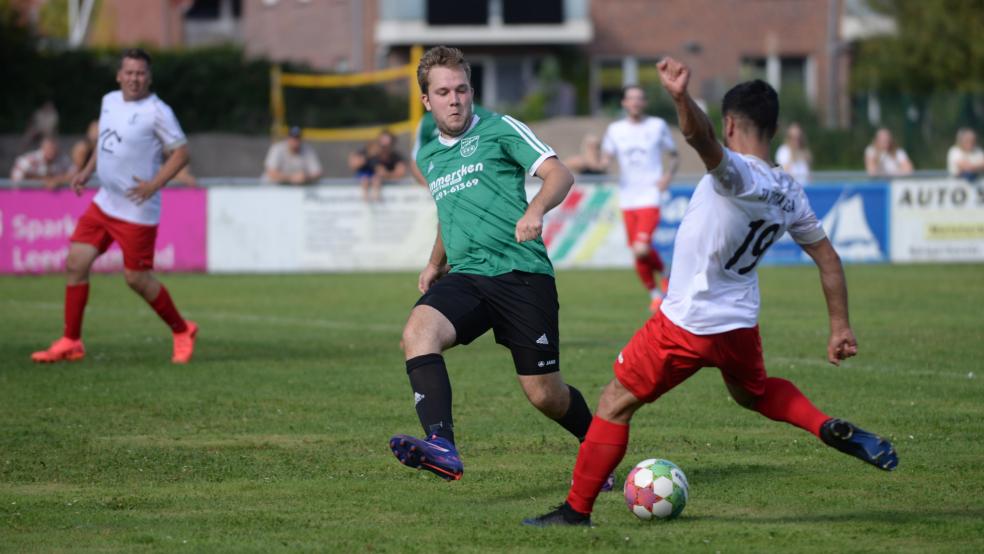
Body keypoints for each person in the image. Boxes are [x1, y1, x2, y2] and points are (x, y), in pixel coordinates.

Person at [524, 57, 898, 527]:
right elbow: (828, 259)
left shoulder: (735, 173)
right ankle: (823, 424)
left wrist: (680, 98)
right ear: (775, 127)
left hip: (685, 321)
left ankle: (575, 512)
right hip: (739, 324)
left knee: (614, 403)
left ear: (731, 124)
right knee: (753, 394)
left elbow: (698, 139)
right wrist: (840, 326)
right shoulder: (789, 190)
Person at [388, 46, 606, 488]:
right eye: (444, 92)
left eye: (462, 89)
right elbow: (450, 214)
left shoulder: (500, 128)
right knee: (417, 332)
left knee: (544, 394)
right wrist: (435, 264)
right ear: (426, 101)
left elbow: (560, 174)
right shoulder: (429, 156)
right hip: (467, 276)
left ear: (472, 92)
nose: (455, 100)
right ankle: (443, 447)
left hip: (521, 275)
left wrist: (536, 210)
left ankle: (600, 448)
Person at [31, 48, 198, 364]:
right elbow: (105, 141)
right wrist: (85, 170)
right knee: (76, 263)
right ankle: (71, 341)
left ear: (148, 77)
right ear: (119, 75)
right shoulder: (109, 100)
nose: (134, 79)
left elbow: (181, 153)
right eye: (129, 72)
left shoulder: (158, 111)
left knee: (136, 279)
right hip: (104, 202)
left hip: (136, 208)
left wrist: (154, 185)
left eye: (141, 73)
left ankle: (182, 329)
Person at [600, 85, 680, 313]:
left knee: (641, 248)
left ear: (644, 102)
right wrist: (598, 163)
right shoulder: (615, 129)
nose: (635, 102)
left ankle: (665, 272)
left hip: (650, 196)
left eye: (639, 98)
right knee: (637, 252)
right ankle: (656, 294)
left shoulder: (657, 126)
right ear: (624, 103)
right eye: (630, 98)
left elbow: (674, 156)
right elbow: (606, 159)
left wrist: (668, 175)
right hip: (627, 198)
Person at [409, 104, 495, 186]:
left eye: (460, 90)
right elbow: (415, 163)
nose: (453, 98)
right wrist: (435, 189)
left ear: (470, 92)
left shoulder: (488, 118)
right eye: (443, 92)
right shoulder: (427, 121)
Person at [348, 130, 408, 202]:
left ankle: (375, 199)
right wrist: (367, 157)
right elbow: (353, 163)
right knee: (365, 179)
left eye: (387, 146)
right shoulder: (368, 153)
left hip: (388, 192)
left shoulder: (395, 157)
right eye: (382, 145)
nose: (384, 148)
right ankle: (367, 200)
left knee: (376, 179)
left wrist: (386, 174)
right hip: (364, 180)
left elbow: (401, 173)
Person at [10, 135, 74, 189]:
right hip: (30, 195)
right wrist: (43, 181)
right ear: (42, 148)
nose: (51, 152)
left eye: (53, 149)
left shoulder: (63, 159)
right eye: (49, 148)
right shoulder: (30, 159)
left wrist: (57, 181)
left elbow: (73, 174)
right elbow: (17, 178)